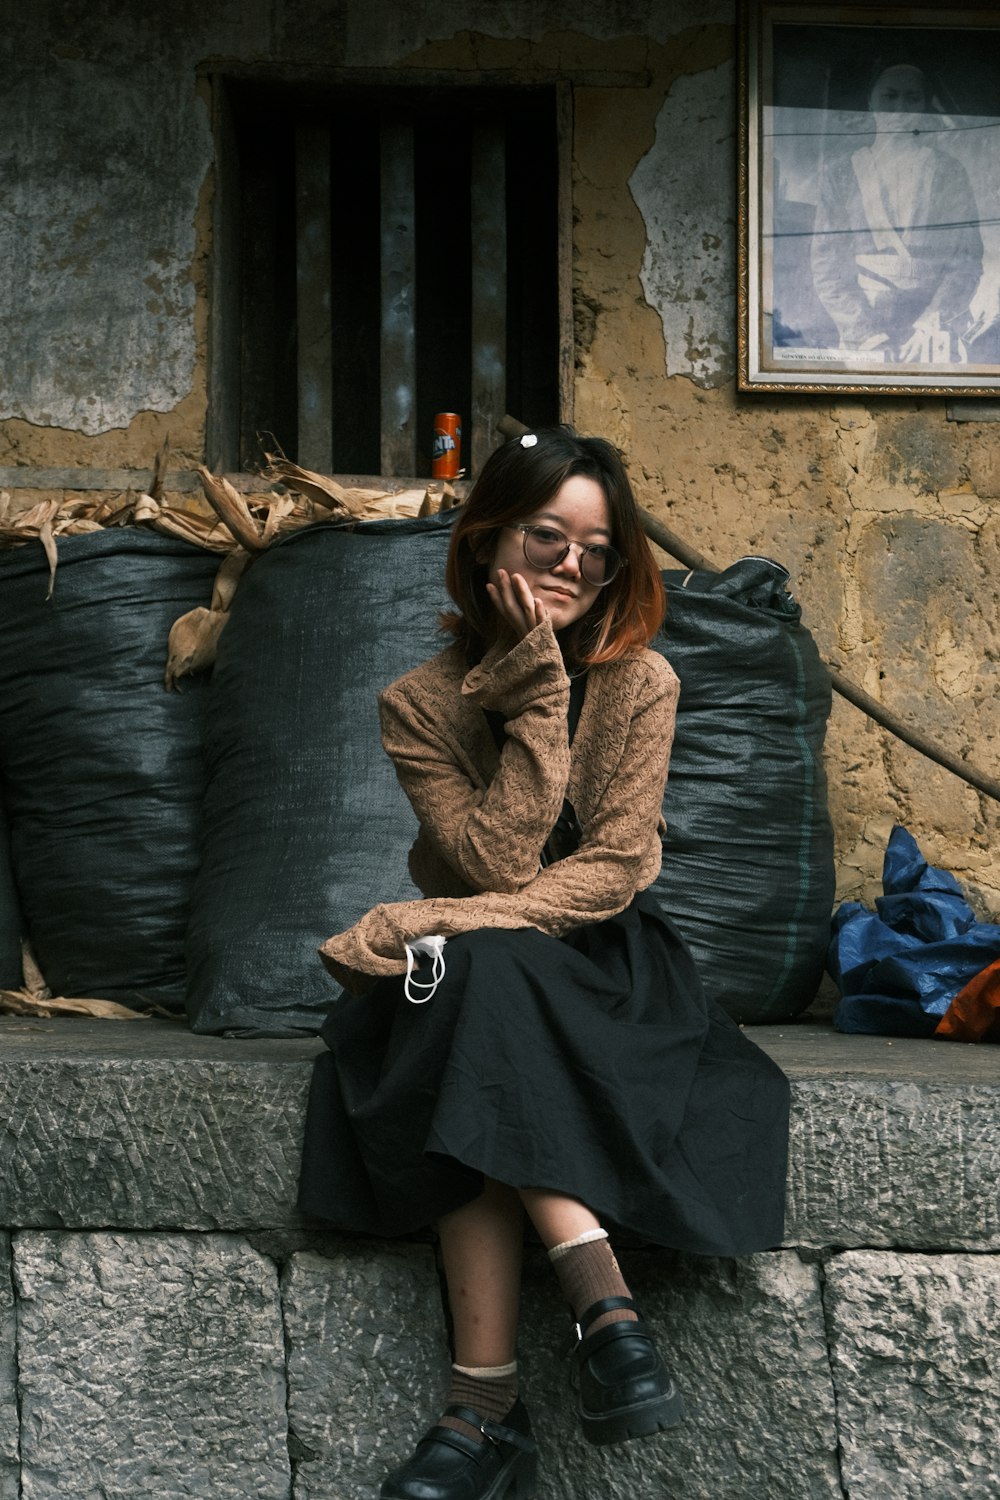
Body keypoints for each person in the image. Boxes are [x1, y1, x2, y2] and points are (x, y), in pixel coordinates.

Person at [298, 427, 790, 1500]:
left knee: (475, 984)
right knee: (474, 993)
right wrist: (528, 703)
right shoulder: (420, 704)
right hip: (473, 978)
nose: (571, 564)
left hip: (610, 975)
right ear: (486, 549)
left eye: (596, 548)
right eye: (544, 537)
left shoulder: (641, 680)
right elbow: (492, 856)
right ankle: (602, 1308)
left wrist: (458, 919)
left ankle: (481, 1414)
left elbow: (611, 872)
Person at [810, 62, 982, 363]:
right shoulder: (840, 174)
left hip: (930, 329)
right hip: (863, 328)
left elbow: (966, 260)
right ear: (871, 103)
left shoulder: (949, 172)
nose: (900, 108)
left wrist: (932, 323)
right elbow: (826, 265)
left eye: (912, 98)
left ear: (924, 106)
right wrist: (866, 336)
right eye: (889, 96)